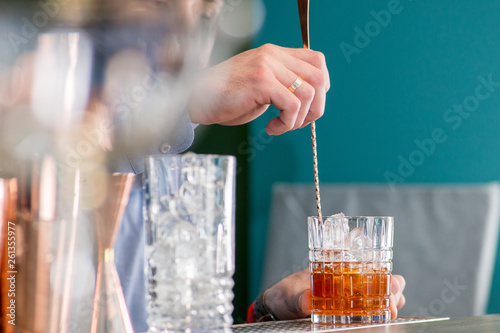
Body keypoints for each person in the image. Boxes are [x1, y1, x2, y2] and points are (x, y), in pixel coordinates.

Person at [110, 0, 407, 331]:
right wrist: (188, 99)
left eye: (207, 15)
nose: (186, 33)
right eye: (159, 6)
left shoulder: (169, 186)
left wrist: (271, 309)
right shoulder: (51, 123)